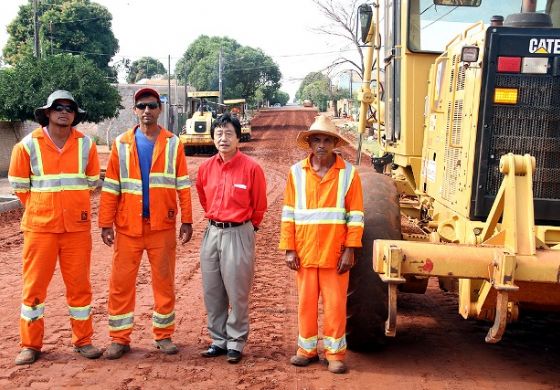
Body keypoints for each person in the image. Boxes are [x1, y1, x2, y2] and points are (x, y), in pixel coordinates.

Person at [8, 90, 102, 365]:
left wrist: (69, 207)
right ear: (47, 113)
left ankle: (83, 341)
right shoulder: (27, 146)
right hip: (40, 229)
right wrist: (43, 209)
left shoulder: (86, 145)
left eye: (69, 108)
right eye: (58, 107)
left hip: (76, 229)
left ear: (75, 115)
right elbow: (20, 188)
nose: (64, 111)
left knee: (80, 287)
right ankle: (30, 344)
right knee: (34, 288)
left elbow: (91, 181)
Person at [99, 87, 193, 359]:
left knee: (163, 282)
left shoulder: (173, 143)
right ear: (135, 110)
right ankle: (119, 338)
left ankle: (163, 335)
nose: (147, 111)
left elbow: (183, 184)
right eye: (142, 106)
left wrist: (187, 219)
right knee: (121, 283)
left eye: (152, 105)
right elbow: (111, 186)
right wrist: (106, 222)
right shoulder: (121, 143)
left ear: (160, 109)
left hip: (161, 227)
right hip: (128, 227)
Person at [279, 115, 364, 374]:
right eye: (317, 139)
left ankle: (335, 354)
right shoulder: (296, 173)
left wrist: (350, 249)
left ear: (335, 143)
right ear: (310, 142)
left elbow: (356, 215)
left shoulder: (349, 174)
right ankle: (306, 350)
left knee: (335, 305)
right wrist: (289, 248)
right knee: (305, 303)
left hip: (335, 253)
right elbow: (289, 213)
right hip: (304, 252)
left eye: (327, 140)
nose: (322, 145)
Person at [196, 113, 267, 364]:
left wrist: (248, 229)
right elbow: (203, 198)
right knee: (212, 291)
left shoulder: (251, 168)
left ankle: (236, 342)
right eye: (218, 134)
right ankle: (218, 340)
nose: (223, 138)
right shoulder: (205, 168)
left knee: (237, 291)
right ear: (213, 138)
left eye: (228, 134)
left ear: (238, 137)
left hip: (239, 232)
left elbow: (259, 205)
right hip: (212, 232)